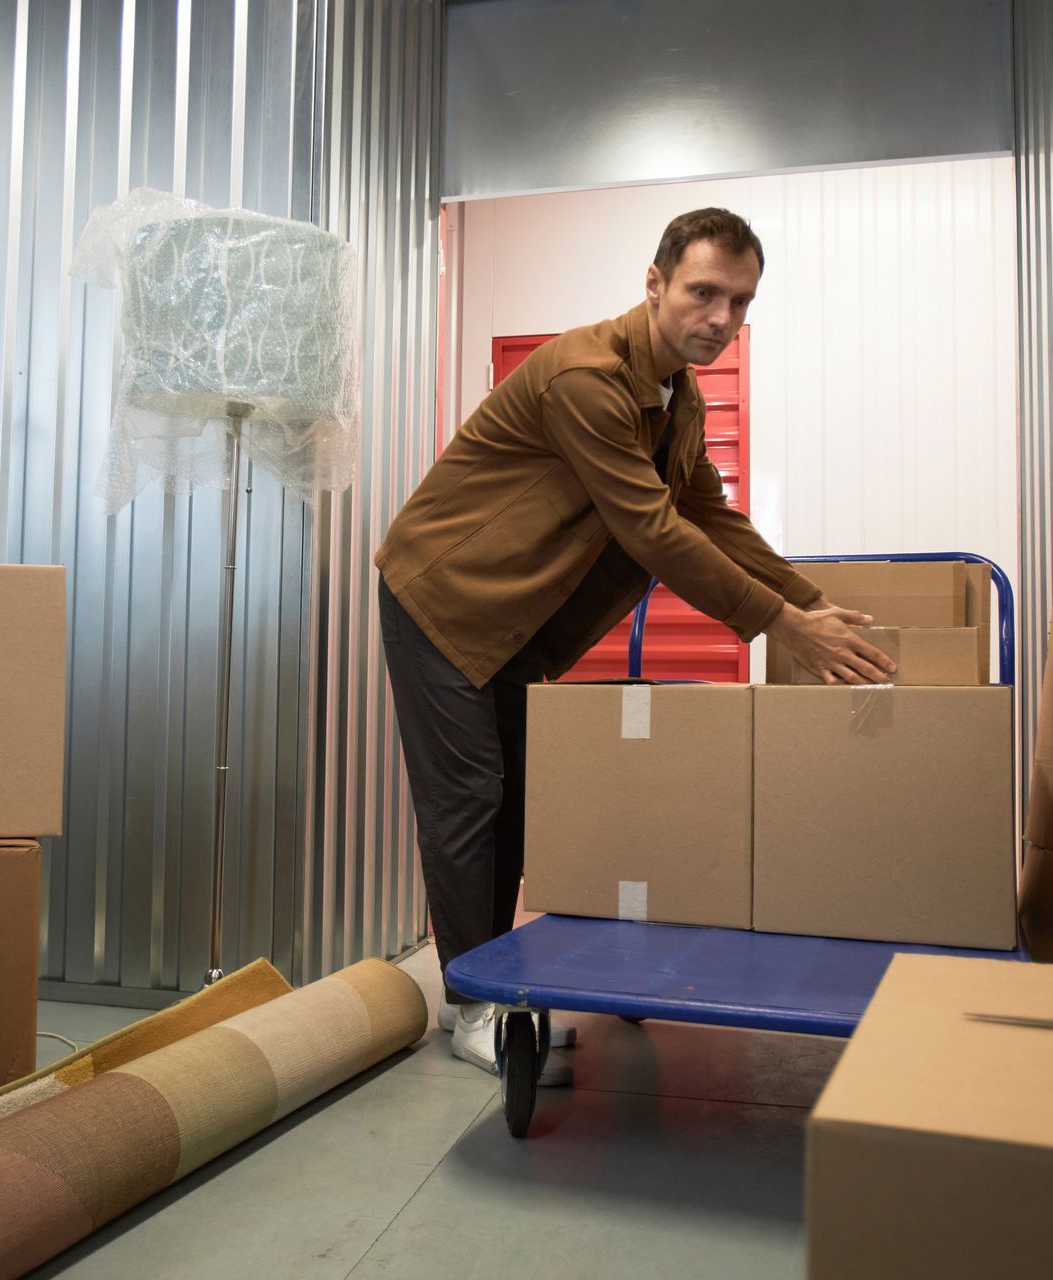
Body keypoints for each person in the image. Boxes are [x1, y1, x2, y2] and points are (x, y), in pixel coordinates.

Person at [374, 208, 896, 1081]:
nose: (721, 319)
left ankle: (494, 987)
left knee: (512, 799)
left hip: (514, 617)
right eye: (703, 293)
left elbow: (710, 515)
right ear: (654, 285)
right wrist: (780, 624)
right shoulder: (587, 376)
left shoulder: (676, 399)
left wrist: (813, 604)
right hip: (443, 598)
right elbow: (654, 532)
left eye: (740, 301)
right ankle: (469, 1006)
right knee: (468, 801)